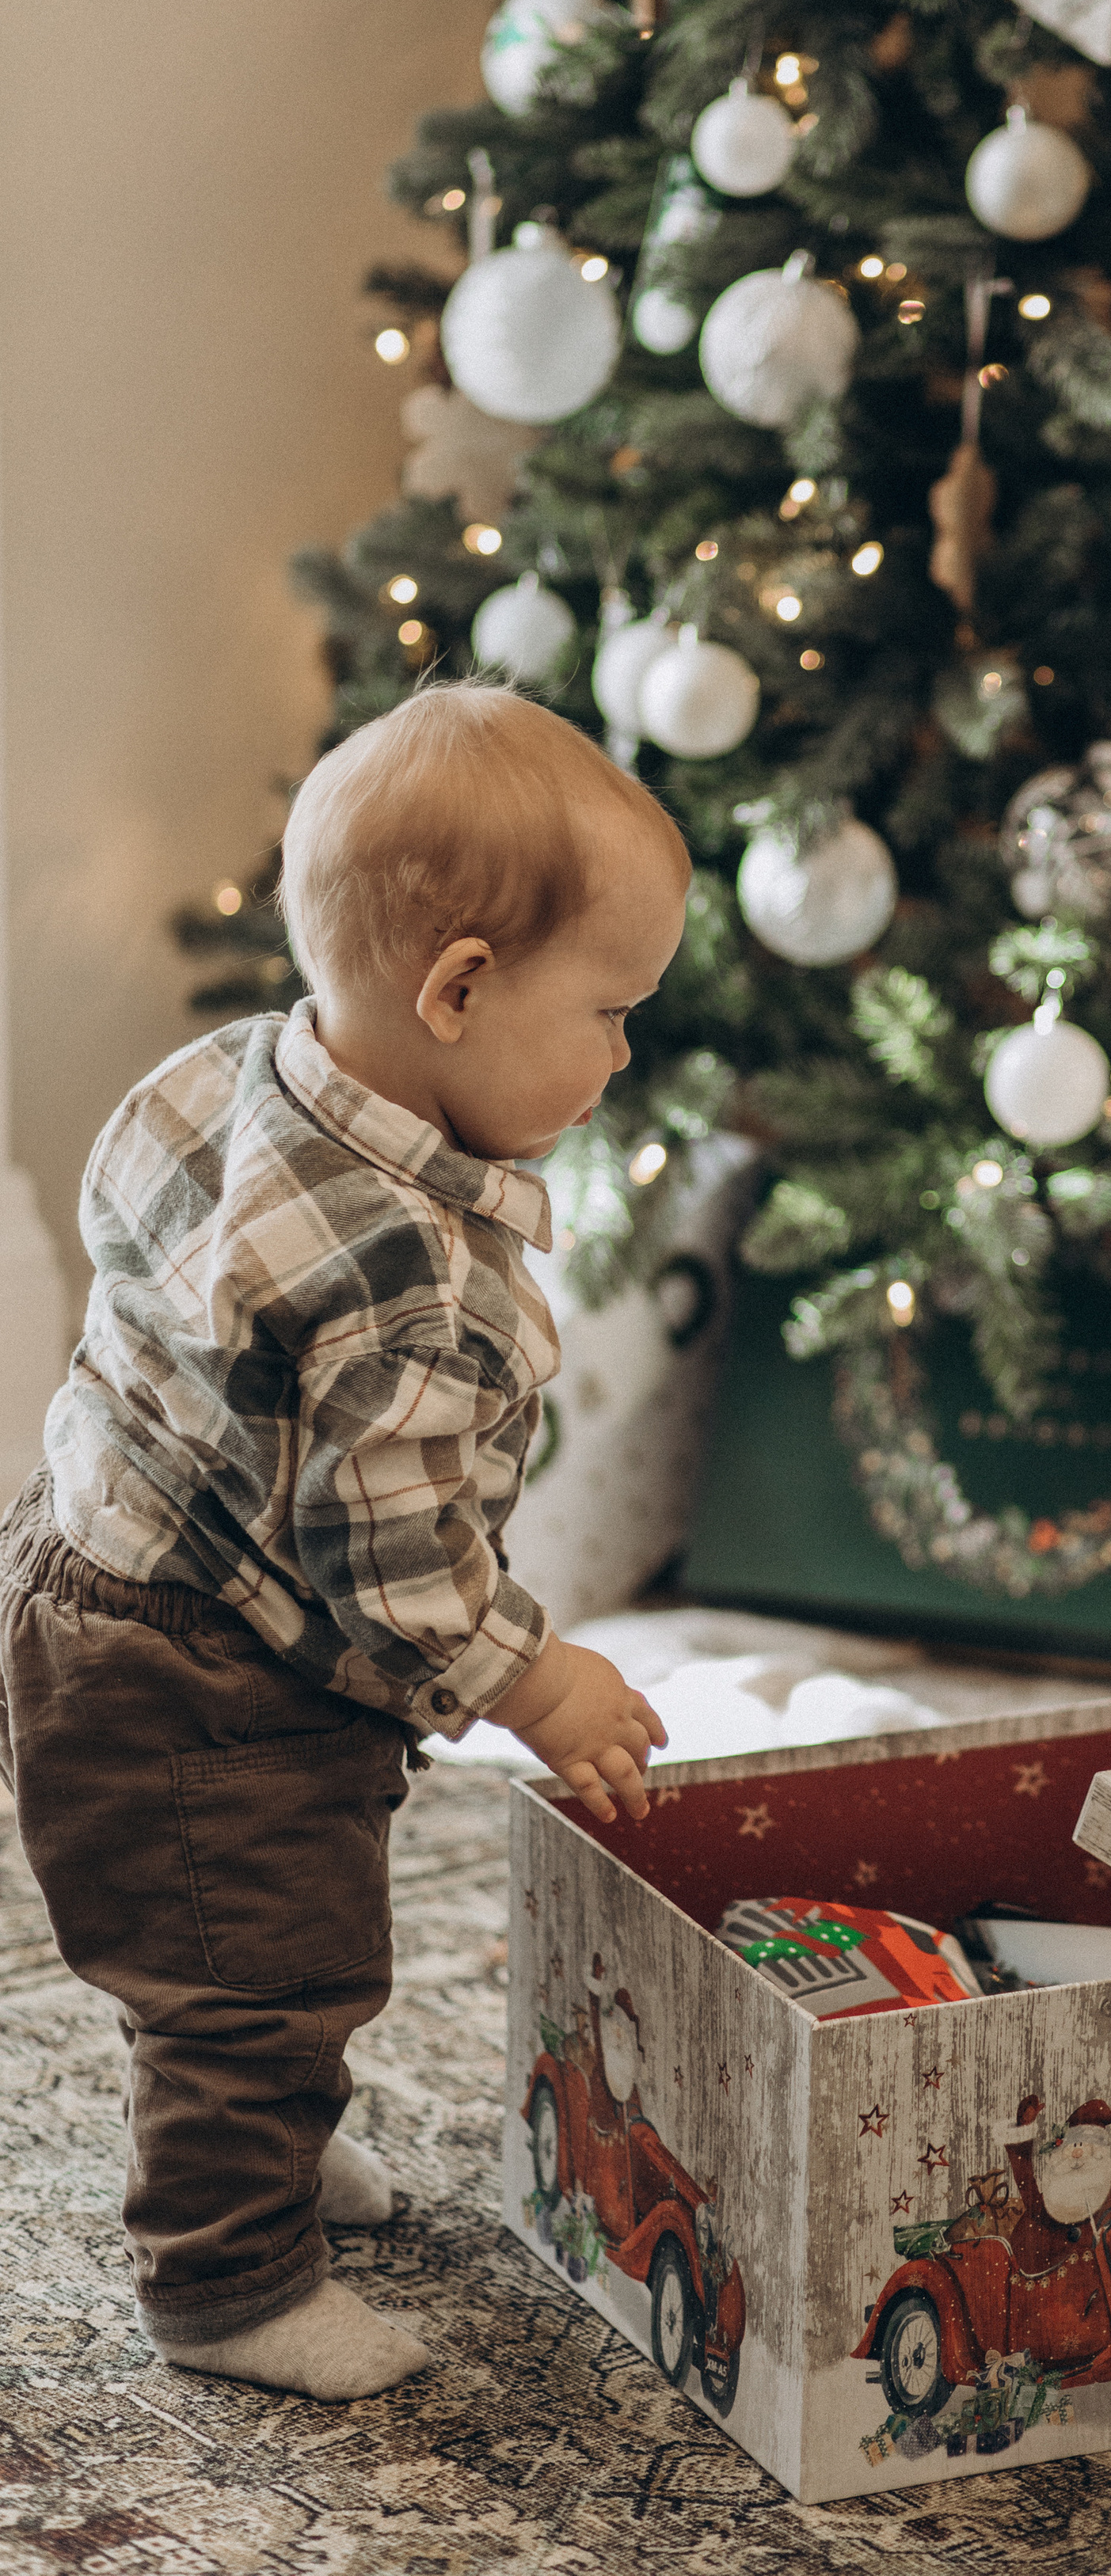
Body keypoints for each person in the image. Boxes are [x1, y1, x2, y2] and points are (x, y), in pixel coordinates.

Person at [0, 684, 684, 2397]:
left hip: (86, 1564)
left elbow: (118, 1219)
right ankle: (228, 2282)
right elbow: (391, 1573)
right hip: (210, 1670)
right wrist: (534, 1677)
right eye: (608, 1014)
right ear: (457, 988)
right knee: (259, 1970)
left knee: (254, 1919)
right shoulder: (401, 1288)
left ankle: (277, 2164)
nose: (622, 1056)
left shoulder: (230, 1066)